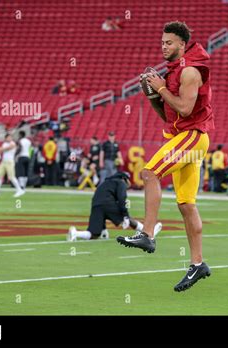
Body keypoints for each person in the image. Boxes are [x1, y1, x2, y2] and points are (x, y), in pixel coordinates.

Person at [116, 21, 214, 292]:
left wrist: (160, 89)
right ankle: (198, 264)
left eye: (169, 42)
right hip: (185, 135)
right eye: (162, 42)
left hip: (193, 136)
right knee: (186, 204)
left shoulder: (190, 70)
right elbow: (170, 115)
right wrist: (153, 98)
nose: (163, 46)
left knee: (150, 173)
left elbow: (184, 108)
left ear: (183, 45)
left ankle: (147, 234)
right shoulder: (175, 71)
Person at [68, 172, 162, 241]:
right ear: (125, 179)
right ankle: (147, 232)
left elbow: (102, 206)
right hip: (107, 203)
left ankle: (75, 233)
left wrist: (103, 228)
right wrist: (125, 215)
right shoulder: (120, 182)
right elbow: (122, 199)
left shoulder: (106, 183)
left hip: (96, 205)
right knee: (128, 219)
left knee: (94, 234)